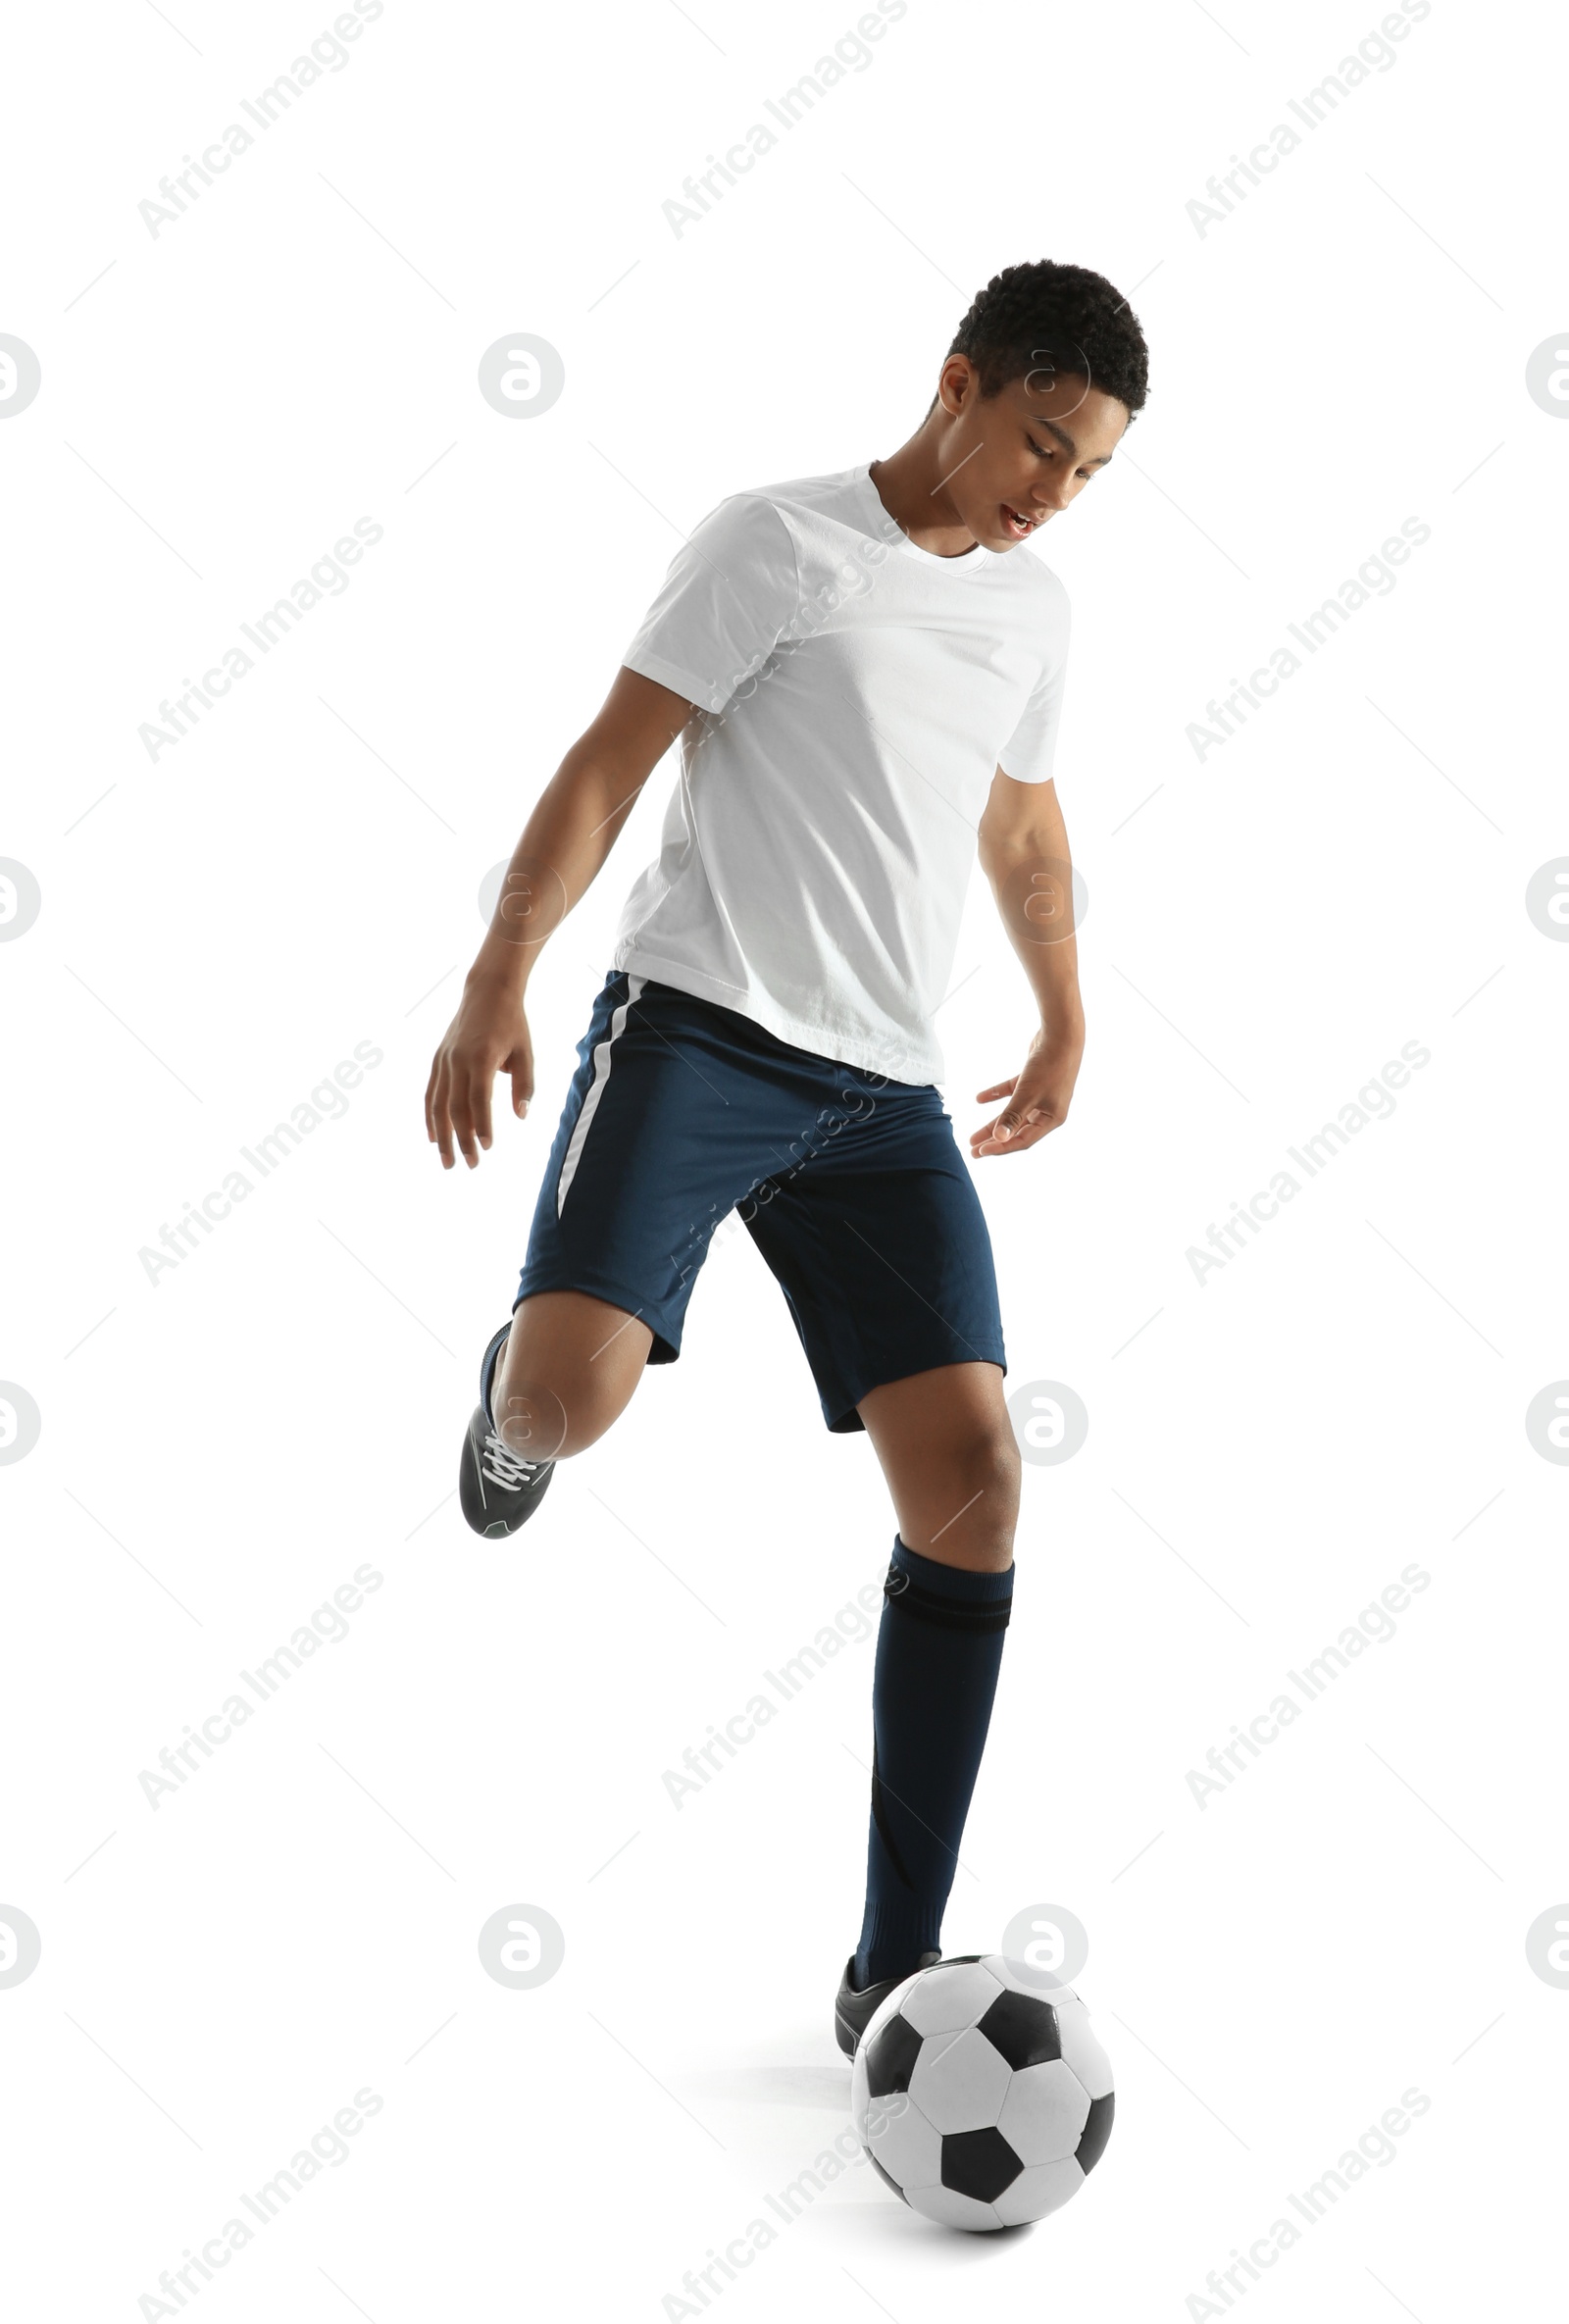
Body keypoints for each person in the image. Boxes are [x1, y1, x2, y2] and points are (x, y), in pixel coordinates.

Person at [424, 259, 1150, 2055]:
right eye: (1041, 445)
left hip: (882, 1097)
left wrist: (1065, 1013)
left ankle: (893, 1966)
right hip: (697, 1025)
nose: (1051, 494)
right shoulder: (779, 541)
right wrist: (497, 974)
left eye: (1087, 475)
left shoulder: (1036, 611)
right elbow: (611, 761)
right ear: (961, 382)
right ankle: (513, 1392)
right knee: (571, 1404)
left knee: (978, 1482)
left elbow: (1022, 812)